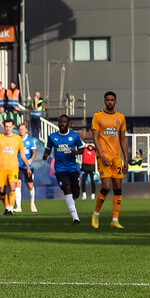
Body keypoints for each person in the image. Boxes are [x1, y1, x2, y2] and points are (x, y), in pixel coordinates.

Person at [90, 91, 128, 229]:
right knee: (106, 186)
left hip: (117, 158)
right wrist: (102, 155)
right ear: (104, 101)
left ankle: (115, 220)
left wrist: (126, 160)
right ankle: (96, 214)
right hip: (103, 157)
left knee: (118, 187)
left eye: (112, 100)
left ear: (115, 101)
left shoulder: (121, 117)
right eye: (108, 100)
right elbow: (95, 138)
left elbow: (123, 139)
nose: (110, 102)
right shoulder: (98, 116)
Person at [42, 115, 84, 224]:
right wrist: (45, 155)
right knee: (67, 189)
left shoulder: (74, 136)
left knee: (76, 193)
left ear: (68, 123)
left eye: (64, 122)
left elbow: (81, 149)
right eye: (60, 121)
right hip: (60, 169)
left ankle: (71, 201)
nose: (62, 123)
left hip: (73, 168)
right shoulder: (52, 137)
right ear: (58, 123)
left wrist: (76, 152)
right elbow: (48, 148)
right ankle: (75, 218)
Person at [0, 119, 28, 215]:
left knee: (13, 187)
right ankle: (7, 207)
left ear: (13, 127)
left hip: (13, 167)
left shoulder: (17, 138)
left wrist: (27, 166)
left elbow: (22, 153)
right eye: (6, 126)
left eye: (10, 126)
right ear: (4, 127)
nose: (8, 128)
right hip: (1, 168)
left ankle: (11, 209)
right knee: (2, 190)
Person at [14, 124, 38, 213]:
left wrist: (31, 160)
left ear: (26, 130)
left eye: (23, 129)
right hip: (19, 166)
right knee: (18, 184)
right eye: (20, 129)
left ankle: (32, 203)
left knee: (30, 185)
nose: (21, 131)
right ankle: (18, 206)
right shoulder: (16, 140)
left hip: (29, 166)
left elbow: (35, 152)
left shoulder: (31, 140)